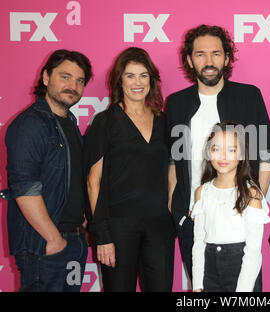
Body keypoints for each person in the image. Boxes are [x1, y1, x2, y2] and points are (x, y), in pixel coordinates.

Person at [165, 24, 270, 283]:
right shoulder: (177, 103)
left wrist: (251, 204)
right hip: (194, 219)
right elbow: (174, 161)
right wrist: (175, 206)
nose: (209, 60)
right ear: (190, 60)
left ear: (226, 57)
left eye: (216, 53)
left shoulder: (248, 97)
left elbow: (266, 158)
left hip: (239, 220)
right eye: (200, 54)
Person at [84, 47, 175, 292]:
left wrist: (170, 211)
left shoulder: (163, 120)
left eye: (143, 75)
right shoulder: (104, 122)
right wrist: (102, 235)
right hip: (118, 227)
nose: (138, 82)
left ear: (152, 80)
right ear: (119, 80)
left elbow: (171, 170)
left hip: (159, 227)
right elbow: (94, 181)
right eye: (130, 75)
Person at [1, 49, 92, 291]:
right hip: (44, 244)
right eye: (65, 77)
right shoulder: (31, 124)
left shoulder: (70, 125)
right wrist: (52, 238)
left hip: (72, 239)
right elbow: (24, 187)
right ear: (45, 78)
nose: (72, 85)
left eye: (79, 80)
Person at [191, 122, 270, 292]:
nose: (223, 156)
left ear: (242, 154)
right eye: (216, 149)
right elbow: (198, 242)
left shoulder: (252, 194)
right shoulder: (202, 192)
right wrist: (197, 285)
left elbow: (253, 251)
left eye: (231, 150)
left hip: (241, 271)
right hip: (209, 273)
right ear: (208, 152)